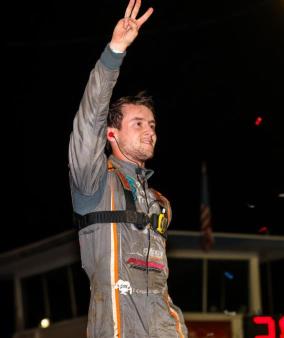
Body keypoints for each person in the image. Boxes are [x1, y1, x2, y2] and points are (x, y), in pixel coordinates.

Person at [68, 0, 188, 336]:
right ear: (112, 134)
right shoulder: (93, 184)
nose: (150, 131)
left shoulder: (159, 201)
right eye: (138, 123)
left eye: (152, 124)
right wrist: (114, 52)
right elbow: (89, 119)